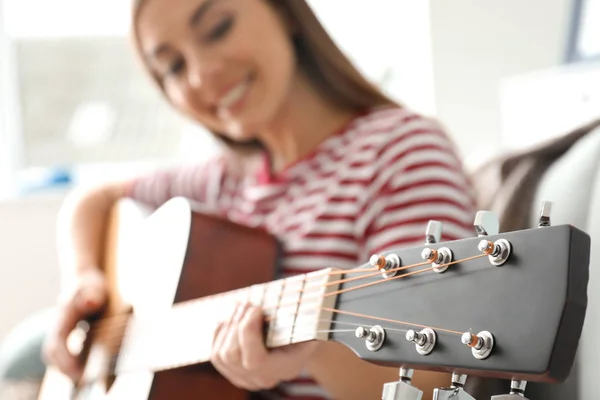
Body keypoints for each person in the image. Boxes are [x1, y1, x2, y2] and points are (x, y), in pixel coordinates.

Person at [41, 0, 477, 398]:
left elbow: (425, 374)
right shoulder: (217, 181)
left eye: (217, 28)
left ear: (285, 11)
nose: (199, 76)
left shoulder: (402, 149)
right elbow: (93, 199)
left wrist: (311, 349)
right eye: (173, 67)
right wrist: (81, 280)